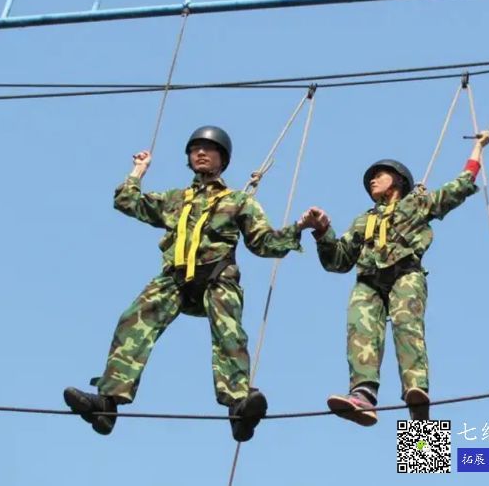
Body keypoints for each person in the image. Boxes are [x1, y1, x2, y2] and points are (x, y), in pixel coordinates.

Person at [64, 125, 312, 441]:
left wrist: (298, 228)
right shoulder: (176, 199)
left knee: (229, 333)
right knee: (133, 320)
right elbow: (127, 200)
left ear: (223, 159)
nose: (201, 153)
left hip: (217, 278)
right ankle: (107, 404)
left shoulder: (237, 201)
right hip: (175, 279)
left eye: (209, 149)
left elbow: (264, 243)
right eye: (195, 149)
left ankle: (239, 407)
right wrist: (138, 170)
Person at [298, 131, 489, 425]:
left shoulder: (416, 204)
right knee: (360, 328)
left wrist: (479, 147)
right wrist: (322, 231)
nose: (373, 180)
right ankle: (362, 396)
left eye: (380, 175)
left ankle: (418, 401)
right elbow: (338, 261)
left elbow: (460, 186)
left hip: (405, 273)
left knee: (407, 325)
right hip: (369, 281)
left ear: (398, 180)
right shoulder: (364, 221)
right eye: (371, 178)